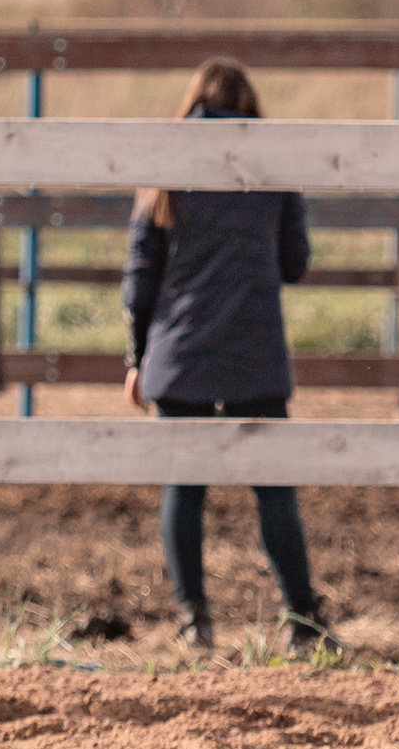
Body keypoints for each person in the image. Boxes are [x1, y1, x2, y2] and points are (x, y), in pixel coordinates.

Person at [123, 58, 337, 656]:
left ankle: (195, 623)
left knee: (184, 489)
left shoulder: (166, 168)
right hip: (253, 351)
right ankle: (303, 621)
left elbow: (140, 276)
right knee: (274, 490)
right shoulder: (272, 169)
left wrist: (136, 358)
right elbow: (295, 263)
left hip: (180, 353)